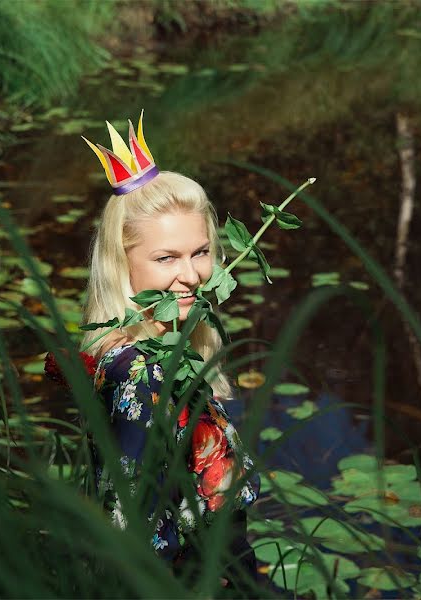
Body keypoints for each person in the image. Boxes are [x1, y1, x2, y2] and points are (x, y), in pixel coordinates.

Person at [78, 113, 260, 587]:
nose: (194, 274)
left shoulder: (172, 346)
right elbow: (132, 525)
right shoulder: (139, 371)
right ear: (122, 264)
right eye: (166, 258)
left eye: (201, 252)